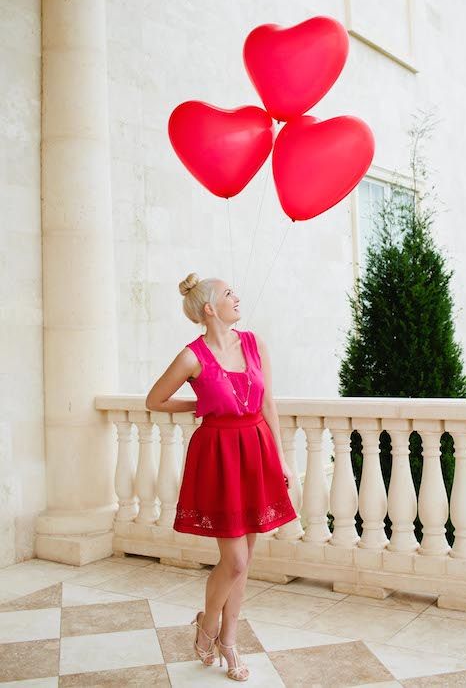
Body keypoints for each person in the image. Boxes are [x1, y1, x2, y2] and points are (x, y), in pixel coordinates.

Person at [146, 273, 298, 681]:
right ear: (210, 308)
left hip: (257, 449)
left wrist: (281, 460)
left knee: (245, 560)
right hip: (219, 456)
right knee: (234, 560)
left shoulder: (254, 343)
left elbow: (269, 403)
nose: (237, 296)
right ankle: (208, 622)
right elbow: (155, 400)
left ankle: (229, 642)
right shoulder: (192, 356)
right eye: (229, 293)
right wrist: (200, 405)